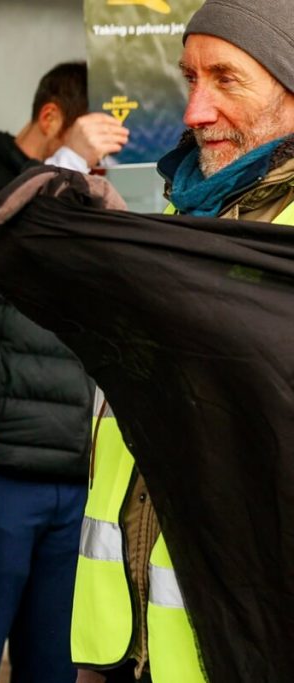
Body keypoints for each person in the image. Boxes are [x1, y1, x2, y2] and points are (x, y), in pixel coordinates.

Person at [72, 1, 294, 681]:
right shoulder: (181, 224)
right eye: (190, 79)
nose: (195, 112)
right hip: (125, 646)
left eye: (227, 79)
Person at [0, 63, 128, 683]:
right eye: (98, 137)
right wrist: (66, 164)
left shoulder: (96, 199)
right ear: (51, 118)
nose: (103, 159)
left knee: (55, 665)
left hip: (78, 475)